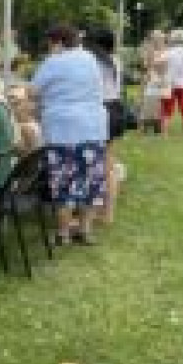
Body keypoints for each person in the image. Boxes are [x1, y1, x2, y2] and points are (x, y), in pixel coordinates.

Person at [30, 24, 108, 245]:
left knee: (64, 182)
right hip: (93, 127)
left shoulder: (53, 62)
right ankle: (85, 230)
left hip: (63, 129)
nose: (49, 47)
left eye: (50, 43)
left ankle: (63, 233)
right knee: (91, 182)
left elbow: (33, 91)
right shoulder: (90, 58)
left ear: (58, 42)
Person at [85, 28, 123, 224]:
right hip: (114, 108)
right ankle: (107, 213)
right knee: (109, 163)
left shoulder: (93, 61)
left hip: (100, 109)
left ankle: (99, 213)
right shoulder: (114, 60)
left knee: (100, 164)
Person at [139, 30, 170, 135]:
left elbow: (164, 66)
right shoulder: (150, 50)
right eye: (155, 38)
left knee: (160, 104)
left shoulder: (166, 51)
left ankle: (159, 127)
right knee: (150, 104)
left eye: (159, 38)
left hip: (161, 80)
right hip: (153, 79)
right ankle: (147, 127)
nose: (157, 40)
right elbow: (146, 66)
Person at [7, 84, 42, 154]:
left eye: (16, 103)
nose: (10, 107)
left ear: (31, 104)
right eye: (8, 102)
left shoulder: (26, 129)